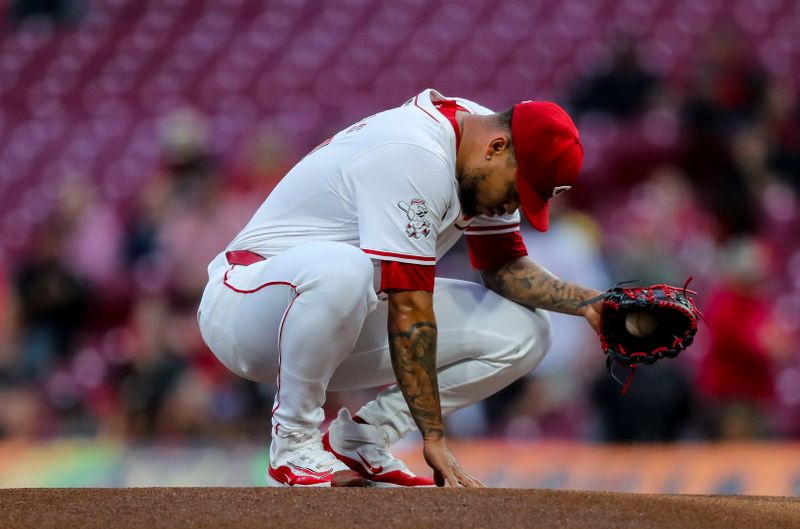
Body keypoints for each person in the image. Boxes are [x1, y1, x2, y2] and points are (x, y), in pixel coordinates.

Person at [197, 89, 602, 488]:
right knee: (346, 269)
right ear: (496, 148)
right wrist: (434, 436)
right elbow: (410, 308)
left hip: (336, 319)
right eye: (518, 191)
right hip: (246, 306)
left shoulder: (480, 142)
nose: (513, 208)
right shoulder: (416, 151)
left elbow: (503, 268)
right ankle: (292, 446)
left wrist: (592, 304)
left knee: (527, 332)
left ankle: (363, 437)